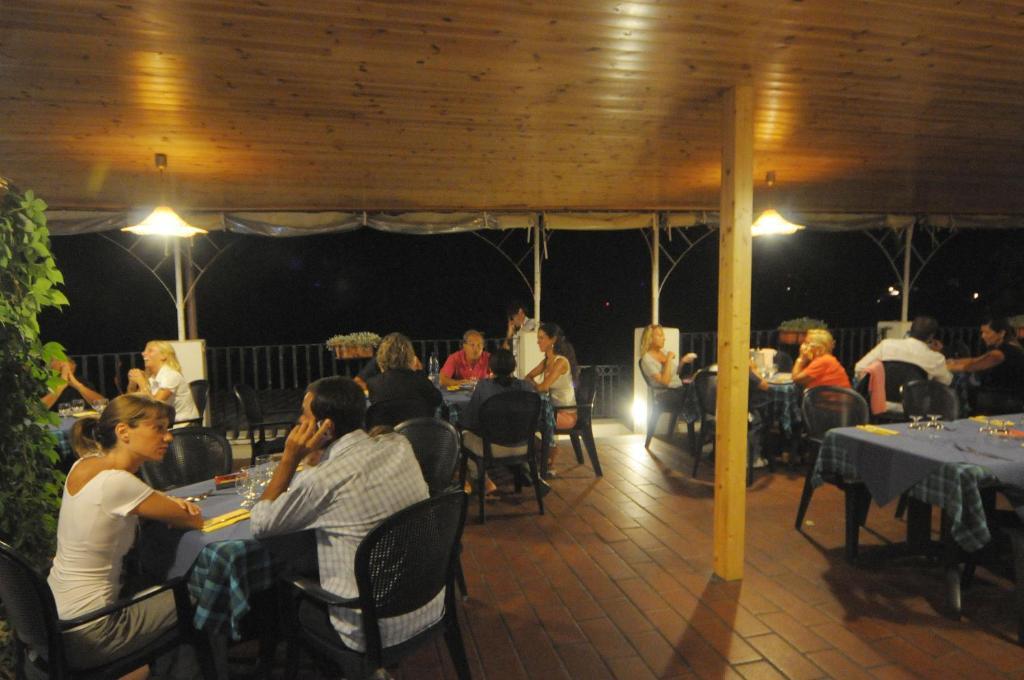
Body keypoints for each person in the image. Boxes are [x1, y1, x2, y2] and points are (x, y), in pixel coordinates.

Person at [250, 377, 442, 652]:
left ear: (324, 426)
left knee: (289, 593)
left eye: (303, 416)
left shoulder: (323, 481)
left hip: (372, 627)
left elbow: (260, 523)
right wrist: (319, 456)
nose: (298, 423)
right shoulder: (399, 446)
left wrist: (290, 459)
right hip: (427, 602)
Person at [47, 394, 203, 678]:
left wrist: (157, 499)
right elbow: (193, 519)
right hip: (94, 631)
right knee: (204, 592)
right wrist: (173, 508)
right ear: (123, 431)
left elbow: (136, 496)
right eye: (159, 429)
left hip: (54, 621)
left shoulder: (82, 466)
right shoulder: (118, 483)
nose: (168, 438)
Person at [459, 349, 536, 496]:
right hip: (523, 446)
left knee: (462, 435)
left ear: (491, 367)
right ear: (513, 366)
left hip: (493, 446)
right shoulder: (526, 387)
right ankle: (526, 471)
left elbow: (470, 419)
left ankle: (481, 479)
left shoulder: (484, 386)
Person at [947, 317, 1024, 408]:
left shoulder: (1000, 353)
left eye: (987, 332)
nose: (983, 336)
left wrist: (943, 366)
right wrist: (952, 361)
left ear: (1001, 333)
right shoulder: (1007, 346)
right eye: (982, 332)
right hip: (1004, 398)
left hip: (1005, 401)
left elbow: (972, 366)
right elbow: (976, 359)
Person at [853, 316, 953, 385]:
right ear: (931, 336)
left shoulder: (886, 345)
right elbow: (945, 382)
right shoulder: (935, 358)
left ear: (910, 330)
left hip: (880, 406)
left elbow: (859, 368)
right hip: (914, 410)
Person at [126, 340, 200, 424]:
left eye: (150, 350)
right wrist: (132, 384)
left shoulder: (171, 375)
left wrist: (142, 382)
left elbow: (153, 406)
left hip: (182, 426)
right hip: (165, 424)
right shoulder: (153, 378)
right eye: (144, 351)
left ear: (163, 356)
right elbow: (131, 404)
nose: (143, 353)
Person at [366, 332, 441, 411]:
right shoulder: (419, 380)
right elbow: (437, 400)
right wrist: (419, 371)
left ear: (381, 356)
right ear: (409, 355)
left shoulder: (374, 384)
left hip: (386, 423)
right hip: (417, 423)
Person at [638, 324, 698, 406]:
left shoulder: (663, 352)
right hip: (665, 394)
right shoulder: (647, 360)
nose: (664, 338)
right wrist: (669, 359)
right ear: (650, 339)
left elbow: (674, 373)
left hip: (678, 389)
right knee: (700, 394)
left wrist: (682, 361)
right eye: (660, 335)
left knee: (701, 385)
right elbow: (665, 382)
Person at [42, 357, 106, 411]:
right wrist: (60, 387)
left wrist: (77, 385)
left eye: (68, 371)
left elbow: (103, 405)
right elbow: (36, 411)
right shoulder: (43, 384)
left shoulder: (80, 381)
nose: (66, 372)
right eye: (62, 370)